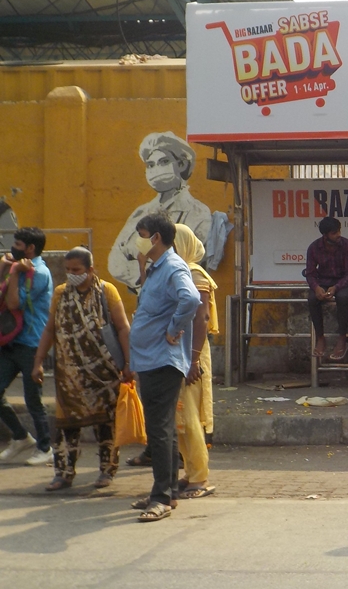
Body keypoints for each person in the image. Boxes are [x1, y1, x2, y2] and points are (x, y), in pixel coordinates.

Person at [30, 247, 131, 490]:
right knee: (66, 426)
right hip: (70, 374)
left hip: (103, 372)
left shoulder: (107, 291)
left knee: (106, 423)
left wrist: (129, 364)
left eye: (76, 270)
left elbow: (123, 328)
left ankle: (107, 471)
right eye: (67, 270)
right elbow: (50, 330)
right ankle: (64, 473)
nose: (71, 274)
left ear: (90, 269)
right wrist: (38, 362)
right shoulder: (61, 293)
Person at [128, 212, 200, 522]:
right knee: (165, 429)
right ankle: (168, 491)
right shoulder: (155, 268)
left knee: (157, 429)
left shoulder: (172, 266)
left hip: (162, 360)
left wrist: (173, 329)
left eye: (141, 233)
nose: (138, 239)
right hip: (150, 359)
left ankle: (159, 497)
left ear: (156, 237)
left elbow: (191, 298)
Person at [108, 132, 212, 292]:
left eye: (164, 161)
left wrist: (142, 264)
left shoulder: (197, 212)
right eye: (150, 165)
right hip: (145, 296)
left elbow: (181, 259)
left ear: (182, 164)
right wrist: (146, 271)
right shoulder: (140, 212)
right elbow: (114, 262)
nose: (156, 169)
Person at [0, 227, 54, 466]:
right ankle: (21, 437)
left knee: (33, 400)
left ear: (31, 248)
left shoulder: (39, 272)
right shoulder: (20, 268)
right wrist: (4, 268)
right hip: (11, 341)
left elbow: (13, 301)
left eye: (19, 244)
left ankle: (45, 448)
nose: (14, 248)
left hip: (32, 343)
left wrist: (12, 270)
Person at [173, 225, 217, 499]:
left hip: (192, 352)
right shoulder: (175, 271)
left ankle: (199, 478)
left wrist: (194, 360)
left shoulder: (194, 273)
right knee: (180, 418)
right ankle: (189, 472)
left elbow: (202, 319)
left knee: (190, 418)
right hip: (179, 351)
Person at [304, 217, 348, 360]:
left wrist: (336, 287)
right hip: (323, 281)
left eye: (339, 231)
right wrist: (316, 288)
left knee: (343, 297)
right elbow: (310, 273)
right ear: (325, 235)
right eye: (334, 233)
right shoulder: (314, 247)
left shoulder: (346, 245)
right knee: (312, 299)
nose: (338, 234)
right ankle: (320, 338)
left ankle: (342, 338)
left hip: (342, 282)